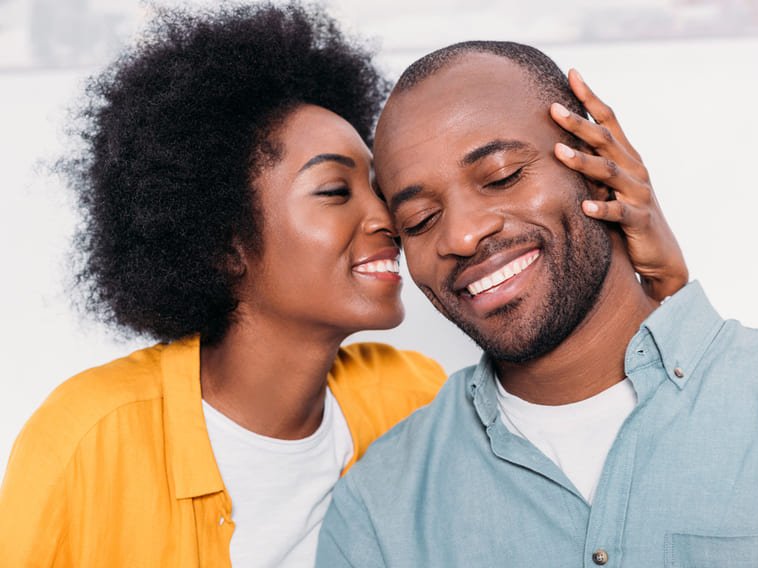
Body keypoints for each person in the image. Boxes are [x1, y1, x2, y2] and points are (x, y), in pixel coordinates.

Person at [0, 6, 688, 568]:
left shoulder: (408, 396)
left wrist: (664, 284)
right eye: (335, 191)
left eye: (382, 192)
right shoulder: (87, 439)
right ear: (223, 243)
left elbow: (598, 438)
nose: (387, 219)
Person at [316, 41, 758, 568]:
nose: (461, 234)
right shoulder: (377, 511)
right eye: (420, 221)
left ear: (600, 166)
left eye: (501, 177)